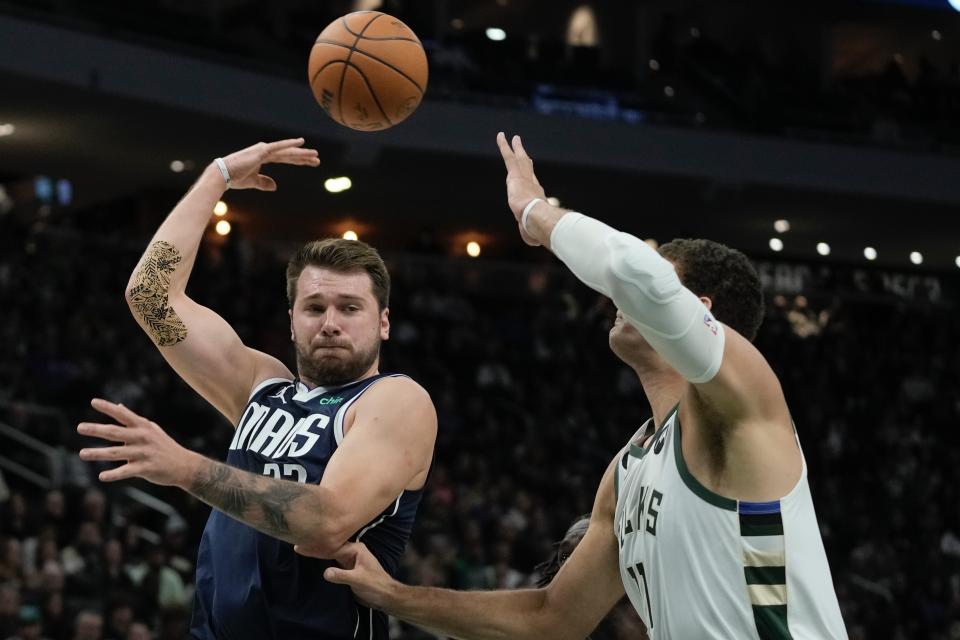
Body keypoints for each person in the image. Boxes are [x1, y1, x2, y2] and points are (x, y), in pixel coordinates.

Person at [303, 133, 847, 639]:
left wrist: (535, 214)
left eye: (658, 281)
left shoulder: (740, 401)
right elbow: (552, 619)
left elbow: (643, 278)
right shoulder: (630, 467)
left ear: (698, 310)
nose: (619, 302)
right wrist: (396, 596)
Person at [76, 139, 437, 639]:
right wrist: (216, 176)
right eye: (314, 308)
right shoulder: (260, 385)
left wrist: (187, 468)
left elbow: (327, 520)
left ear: (384, 323)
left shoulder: (396, 401)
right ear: (291, 322)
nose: (330, 323)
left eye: (350, 308)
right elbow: (151, 297)